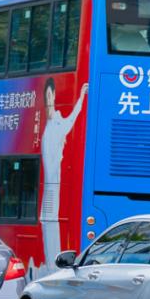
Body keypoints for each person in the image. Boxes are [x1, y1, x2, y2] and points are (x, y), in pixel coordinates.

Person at [40, 77, 87, 267]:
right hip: (49, 191)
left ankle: (54, 270)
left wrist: (82, 96)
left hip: (54, 188)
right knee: (48, 227)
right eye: (47, 95)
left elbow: (74, 117)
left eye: (52, 95)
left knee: (52, 230)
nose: (49, 99)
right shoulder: (49, 124)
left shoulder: (58, 124)